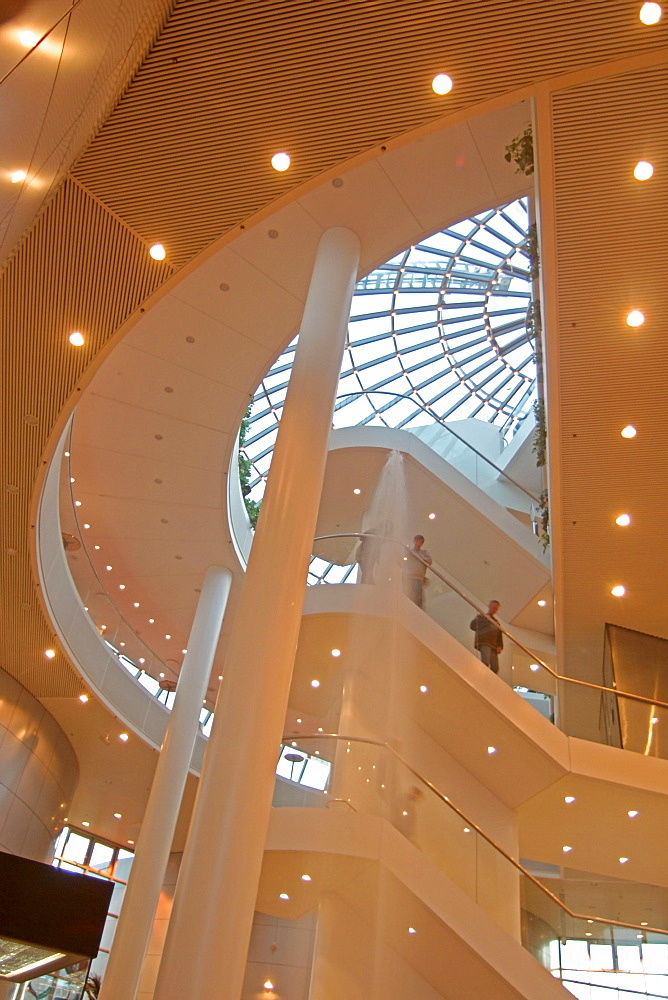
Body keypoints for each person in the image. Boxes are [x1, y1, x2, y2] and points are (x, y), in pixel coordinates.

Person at [470, 600, 503, 674]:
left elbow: (499, 635)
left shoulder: (496, 622)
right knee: (485, 662)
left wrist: (500, 646)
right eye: (493, 607)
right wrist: (486, 619)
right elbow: (472, 626)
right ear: (489, 607)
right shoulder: (481, 616)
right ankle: (481, 676)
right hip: (484, 642)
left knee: (495, 668)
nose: (494, 610)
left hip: (493, 646)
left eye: (496, 609)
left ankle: (489, 681)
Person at [403, 534, 432, 608]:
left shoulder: (424, 553)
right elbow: (401, 561)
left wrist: (419, 557)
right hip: (409, 577)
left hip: (419, 578)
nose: (417, 543)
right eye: (416, 541)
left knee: (418, 596)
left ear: (422, 543)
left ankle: (418, 610)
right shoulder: (409, 552)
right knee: (409, 595)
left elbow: (429, 561)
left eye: (420, 542)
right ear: (414, 541)